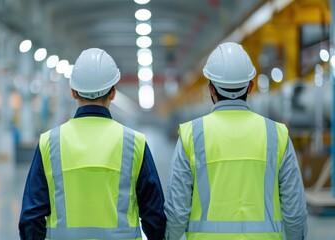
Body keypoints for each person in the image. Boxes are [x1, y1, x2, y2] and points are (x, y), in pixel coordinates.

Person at [164, 42, 308, 240]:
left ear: (211, 89)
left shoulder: (191, 134)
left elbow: (177, 212)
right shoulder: (277, 135)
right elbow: (295, 212)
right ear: (250, 86)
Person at [19, 48, 166, 240]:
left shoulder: (49, 142)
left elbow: (31, 217)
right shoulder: (134, 143)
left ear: (73, 91)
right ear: (113, 92)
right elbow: (154, 216)